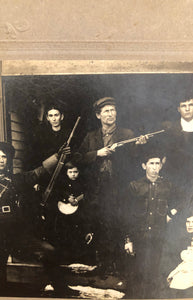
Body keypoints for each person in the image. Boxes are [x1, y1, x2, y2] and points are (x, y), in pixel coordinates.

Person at [0, 141, 79, 297]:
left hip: (18, 231)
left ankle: (61, 289)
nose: (2, 160)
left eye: (4, 157)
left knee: (49, 251)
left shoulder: (16, 180)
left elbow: (38, 172)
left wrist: (57, 156)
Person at [75, 97, 147, 275]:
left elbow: (135, 161)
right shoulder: (91, 136)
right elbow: (78, 158)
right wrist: (96, 153)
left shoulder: (127, 134)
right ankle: (103, 266)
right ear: (98, 115)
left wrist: (139, 147)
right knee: (100, 225)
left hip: (119, 188)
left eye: (113, 110)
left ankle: (120, 267)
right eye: (106, 111)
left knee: (119, 223)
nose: (110, 114)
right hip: (97, 189)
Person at [124, 148, 180, 299]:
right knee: (137, 272)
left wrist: (170, 213)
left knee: (155, 272)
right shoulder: (134, 186)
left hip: (160, 236)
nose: (155, 167)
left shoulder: (168, 185)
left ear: (161, 166)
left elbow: (183, 201)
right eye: (151, 163)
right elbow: (126, 214)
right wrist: (128, 240)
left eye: (158, 163)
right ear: (144, 166)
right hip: (139, 236)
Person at [46, 161, 94, 265]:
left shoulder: (82, 183)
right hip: (64, 214)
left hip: (77, 214)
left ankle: (76, 259)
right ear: (66, 173)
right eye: (70, 172)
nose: (73, 174)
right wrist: (67, 197)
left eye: (75, 172)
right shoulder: (61, 183)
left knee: (76, 235)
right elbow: (57, 193)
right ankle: (64, 260)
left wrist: (78, 199)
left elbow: (87, 193)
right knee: (64, 235)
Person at [162, 97, 193, 189]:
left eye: (191, 105)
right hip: (177, 181)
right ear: (178, 109)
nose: (187, 109)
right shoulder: (170, 130)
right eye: (183, 106)